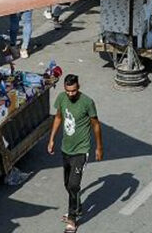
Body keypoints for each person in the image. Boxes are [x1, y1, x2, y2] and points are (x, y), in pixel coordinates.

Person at [47, 74, 102, 233]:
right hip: (66, 148)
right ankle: (77, 208)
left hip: (81, 150)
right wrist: (51, 139)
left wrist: (99, 147)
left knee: (73, 184)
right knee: (68, 184)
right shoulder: (62, 98)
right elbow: (58, 118)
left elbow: (96, 125)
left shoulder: (87, 102)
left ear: (79, 87)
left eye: (74, 91)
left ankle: (72, 219)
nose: (71, 94)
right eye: (68, 91)